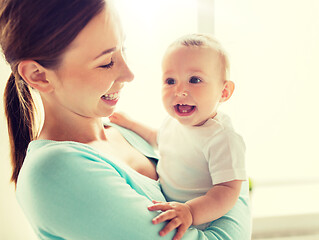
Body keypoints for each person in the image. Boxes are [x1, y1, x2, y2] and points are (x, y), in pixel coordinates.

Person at [0, 0, 251, 239]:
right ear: (38, 75)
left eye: (123, 50)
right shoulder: (54, 173)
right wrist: (230, 171)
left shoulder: (120, 130)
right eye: (107, 62)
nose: (129, 73)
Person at [110, 33, 247, 239]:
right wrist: (130, 124)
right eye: (170, 80)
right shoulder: (173, 122)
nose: (180, 90)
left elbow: (228, 190)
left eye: (195, 80)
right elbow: (159, 139)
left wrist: (191, 212)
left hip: (202, 219)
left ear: (224, 91)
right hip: (174, 207)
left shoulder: (222, 138)